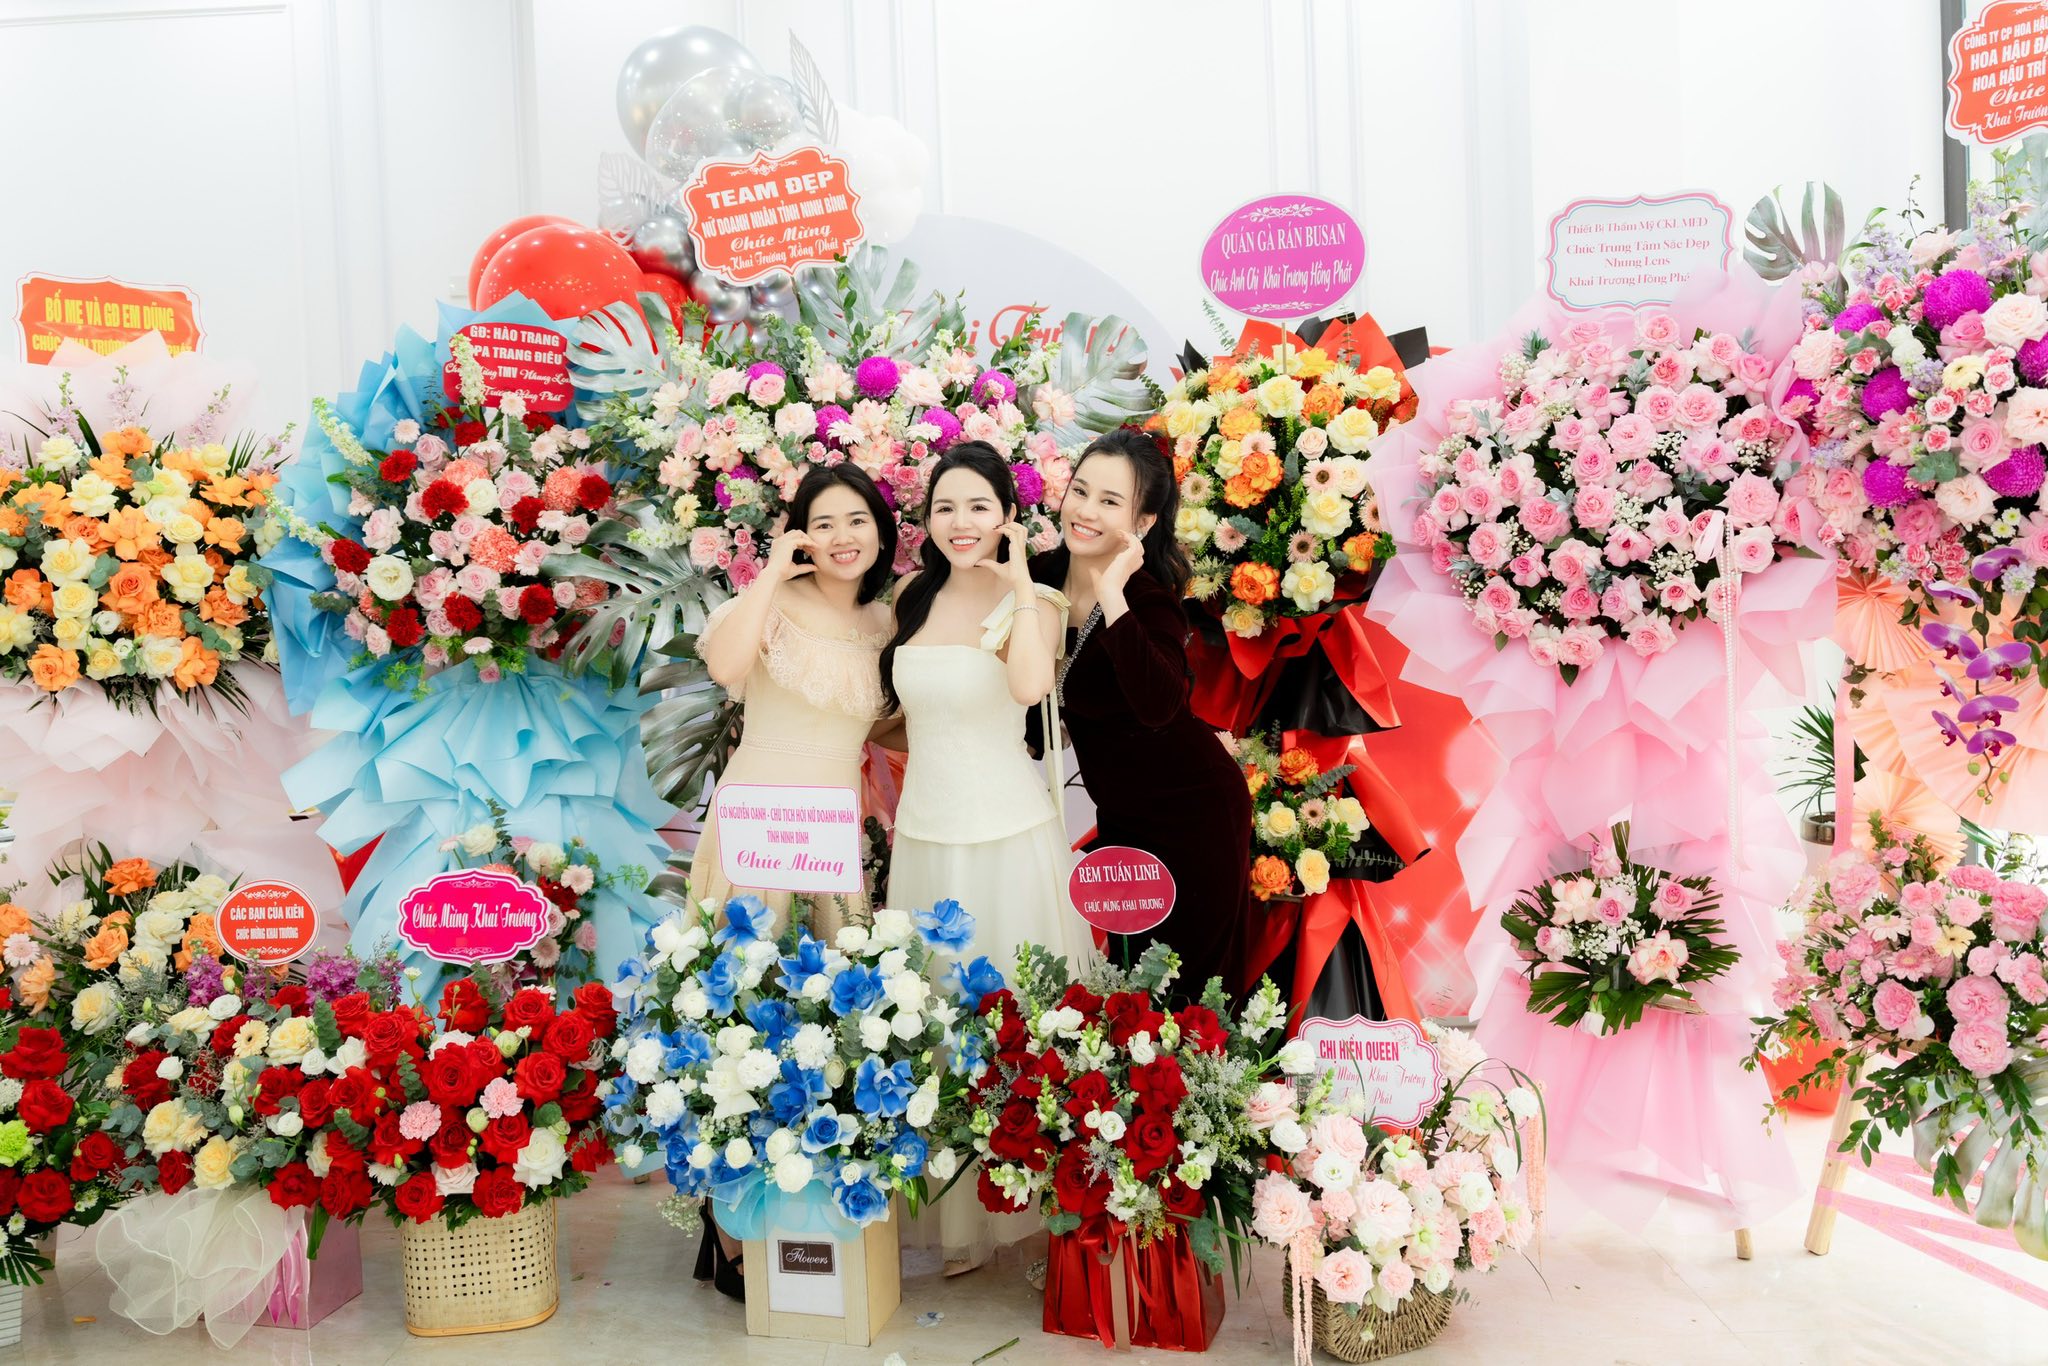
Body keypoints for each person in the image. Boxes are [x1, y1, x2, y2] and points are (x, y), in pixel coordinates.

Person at [880, 441, 1095, 1275]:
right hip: (925, 836)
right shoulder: (911, 596)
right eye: (944, 508)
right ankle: (959, 1220)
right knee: (936, 1022)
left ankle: (1039, 1203)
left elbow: (1031, 689)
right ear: (926, 519)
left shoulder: (1034, 599)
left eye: (978, 506)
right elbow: (898, 711)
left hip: (1007, 836)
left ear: (1008, 514)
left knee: (1015, 1018)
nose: (960, 523)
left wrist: (1019, 585)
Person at [688, 462, 896, 1300]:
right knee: (739, 1015)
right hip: (759, 822)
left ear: (881, 530)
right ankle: (729, 1226)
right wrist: (773, 572)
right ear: (802, 531)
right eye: (825, 522)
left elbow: (895, 720)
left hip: (830, 838)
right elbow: (724, 666)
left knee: (834, 1026)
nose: (843, 537)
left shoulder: (887, 620)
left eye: (858, 520)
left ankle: (810, 1217)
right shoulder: (776, 600)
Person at [1032, 428, 1252, 998]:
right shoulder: (1039, 577)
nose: (1085, 511)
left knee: (1188, 994)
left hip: (1195, 814)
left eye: (1110, 502)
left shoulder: (1148, 600)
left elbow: (1158, 707)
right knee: (1130, 991)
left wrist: (1112, 591)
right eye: (1080, 491)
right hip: (1123, 821)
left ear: (1144, 523)